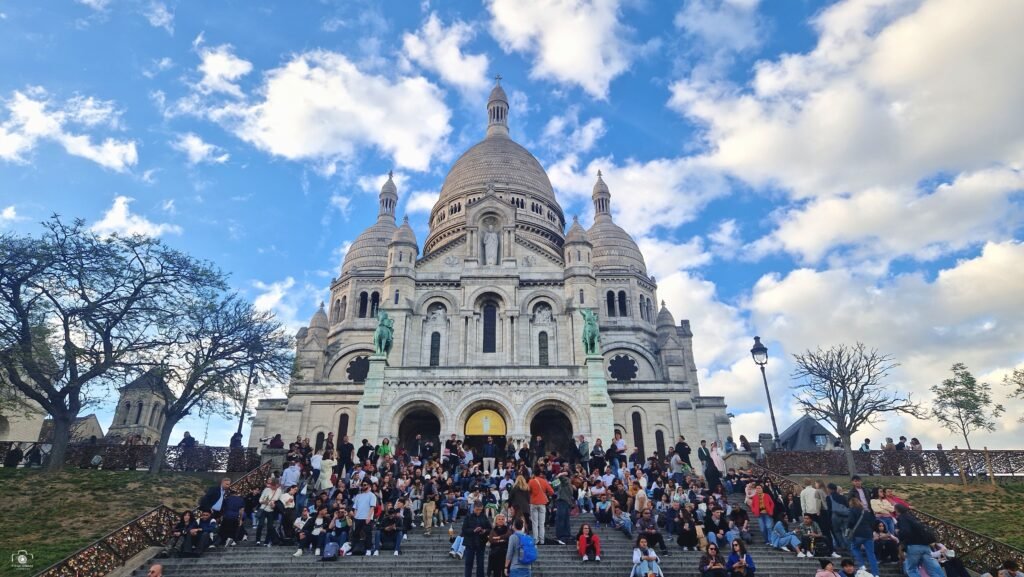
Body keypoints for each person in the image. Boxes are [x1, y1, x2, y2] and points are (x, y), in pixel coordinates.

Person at [894, 503, 944, 577]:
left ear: (897, 510)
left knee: (912, 569)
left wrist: (898, 532)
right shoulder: (913, 518)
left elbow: (906, 531)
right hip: (925, 546)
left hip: (913, 546)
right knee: (932, 570)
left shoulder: (902, 518)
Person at [845, 497, 879, 577]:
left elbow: (850, 522)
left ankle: (862, 565)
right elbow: (873, 522)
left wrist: (848, 528)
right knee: (871, 554)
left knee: (854, 548)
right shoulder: (866, 512)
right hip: (868, 534)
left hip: (857, 534)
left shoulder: (852, 510)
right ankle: (876, 574)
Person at [462, 501, 493, 577]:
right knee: (468, 563)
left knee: (480, 563)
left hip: (481, 542)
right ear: (473, 508)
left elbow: (490, 528)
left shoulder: (484, 516)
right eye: (477, 509)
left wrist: (484, 531)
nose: (478, 511)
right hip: (470, 542)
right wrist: (473, 530)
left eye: (480, 509)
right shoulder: (468, 517)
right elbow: (464, 530)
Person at [527, 470, 553, 543]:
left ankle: (535, 539)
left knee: (534, 523)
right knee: (542, 523)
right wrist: (545, 494)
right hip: (542, 503)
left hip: (533, 502)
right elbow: (551, 492)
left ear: (534, 474)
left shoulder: (531, 481)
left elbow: (527, 490)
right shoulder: (544, 481)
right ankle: (542, 540)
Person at [352, 481, 378, 555]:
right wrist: (355, 516)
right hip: (358, 518)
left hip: (367, 517)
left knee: (368, 534)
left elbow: (372, 507)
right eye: (362, 485)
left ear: (369, 485)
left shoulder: (372, 495)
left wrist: (368, 517)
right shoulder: (358, 496)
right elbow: (355, 507)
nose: (363, 486)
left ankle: (368, 549)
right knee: (355, 534)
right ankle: (355, 549)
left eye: (365, 485)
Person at [255, 479, 281, 546]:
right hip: (263, 509)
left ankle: (266, 541)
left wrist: (274, 505)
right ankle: (258, 540)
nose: (273, 487)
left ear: (277, 485)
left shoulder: (279, 491)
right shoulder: (266, 490)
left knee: (270, 527)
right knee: (260, 525)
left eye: (275, 486)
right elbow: (260, 500)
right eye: (272, 486)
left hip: (271, 510)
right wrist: (264, 501)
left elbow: (278, 501)